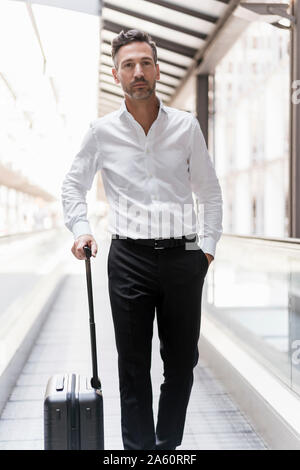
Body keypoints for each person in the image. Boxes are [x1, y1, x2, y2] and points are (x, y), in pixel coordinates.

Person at [62, 29, 223, 450]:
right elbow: (72, 186)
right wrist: (82, 229)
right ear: (116, 75)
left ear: (157, 68)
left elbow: (209, 191)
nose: (138, 72)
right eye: (128, 65)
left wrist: (205, 250)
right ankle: (139, 453)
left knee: (183, 365)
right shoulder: (100, 132)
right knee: (132, 368)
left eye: (145, 63)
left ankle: (165, 449)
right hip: (128, 256)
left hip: (184, 255)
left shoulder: (186, 126)